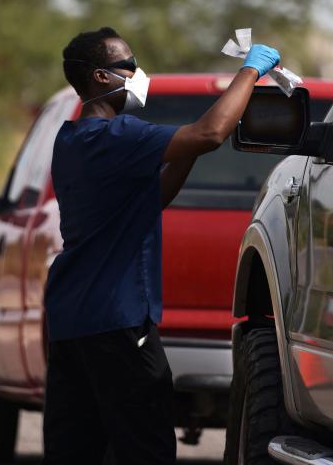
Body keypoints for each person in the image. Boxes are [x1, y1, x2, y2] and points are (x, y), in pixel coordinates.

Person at [42, 26, 281, 464]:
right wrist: (250, 72)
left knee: (76, 448)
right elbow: (211, 134)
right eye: (128, 66)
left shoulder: (72, 141)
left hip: (70, 323)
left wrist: (181, 146)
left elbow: (158, 194)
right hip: (118, 324)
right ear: (99, 77)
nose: (137, 73)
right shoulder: (116, 136)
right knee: (146, 446)